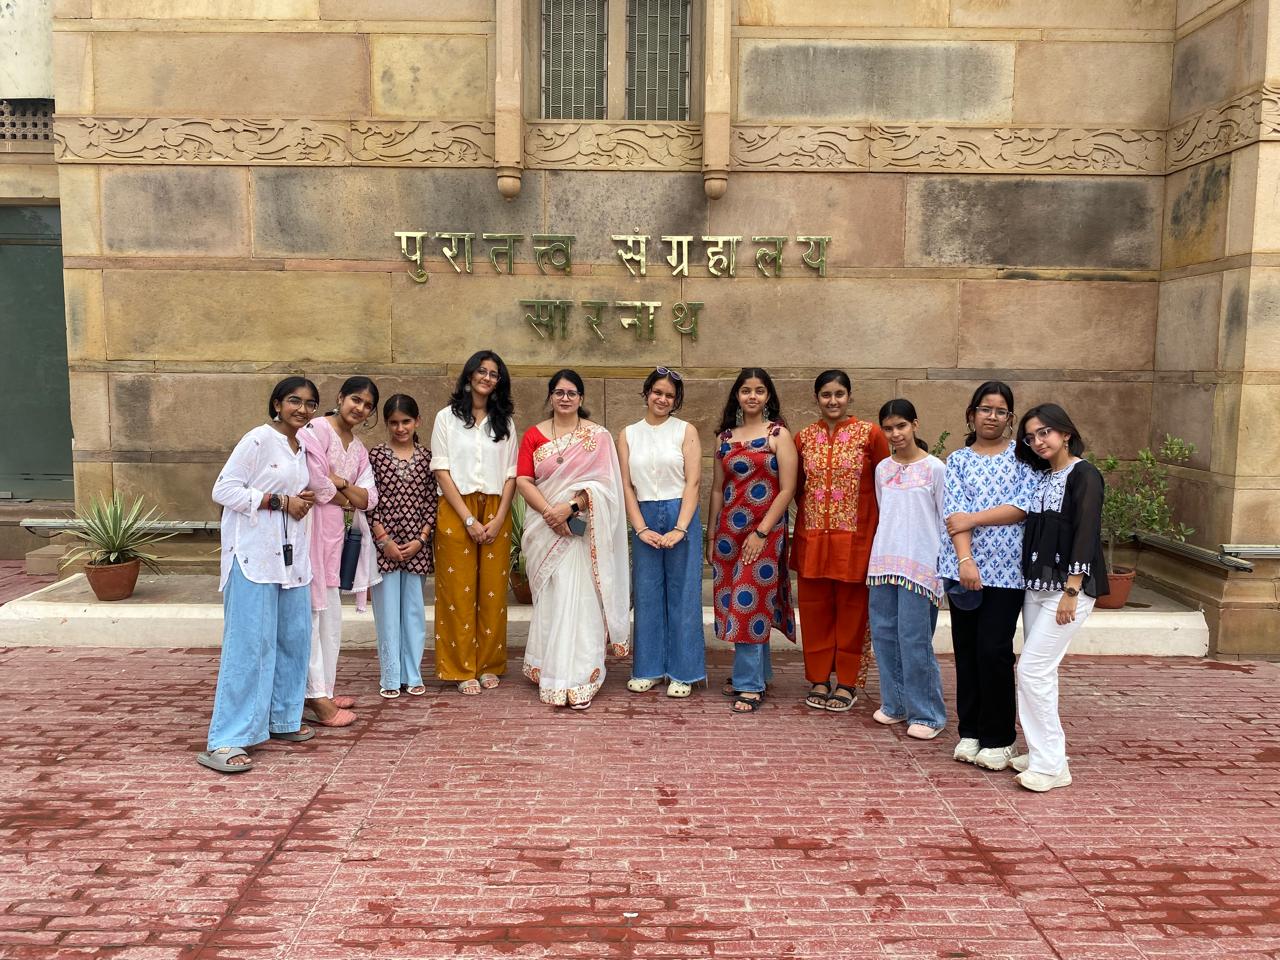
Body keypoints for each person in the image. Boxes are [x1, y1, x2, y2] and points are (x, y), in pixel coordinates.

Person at [198, 376, 320, 774]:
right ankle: (226, 738)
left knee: (293, 640)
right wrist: (279, 501)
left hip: (291, 561)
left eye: (310, 403)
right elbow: (224, 490)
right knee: (249, 646)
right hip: (253, 558)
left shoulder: (302, 446)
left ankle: (282, 719)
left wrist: (299, 500)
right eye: (294, 401)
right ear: (277, 404)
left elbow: (295, 493)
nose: (302, 409)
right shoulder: (257, 439)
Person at [515, 370, 630, 709]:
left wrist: (571, 507)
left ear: (581, 398)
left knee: (580, 599)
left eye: (571, 393)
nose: (565, 398)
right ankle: (549, 669)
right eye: (559, 392)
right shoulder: (534, 435)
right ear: (550, 396)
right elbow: (523, 480)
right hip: (544, 528)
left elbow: (607, 487)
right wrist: (550, 513)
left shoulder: (598, 437)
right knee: (553, 598)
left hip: (581, 530)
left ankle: (580, 676)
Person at [937, 381, 1036, 771]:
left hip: (1008, 572)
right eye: (985, 409)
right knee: (966, 651)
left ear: (1009, 418)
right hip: (965, 570)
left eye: (1000, 411)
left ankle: (1000, 738)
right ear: (971, 414)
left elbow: (1022, 506)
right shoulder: (958, 460)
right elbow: (954, 513)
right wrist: (965, 560)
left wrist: (974, 519)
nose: (992, 417)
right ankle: (971, 732)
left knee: (993, 651)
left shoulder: (1023, 456)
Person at [1011, 403, 1108, 792]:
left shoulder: (1084, 474)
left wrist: (1072, 588)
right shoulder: (1043, 476)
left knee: (1031, 671)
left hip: (1068, 590)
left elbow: (1086, 532)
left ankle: (1052, 767)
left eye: (1044, 432)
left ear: (1065, 433)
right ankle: (1043, 754)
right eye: (1030, 437)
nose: (1038, 441)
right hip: (1037, 587)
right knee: (1041, 672)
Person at [791, 370, 889, 712]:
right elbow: (796, 487)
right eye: (826, 395)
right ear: (816, 398)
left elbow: (885, 484)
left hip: (857, 540)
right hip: (813, 539)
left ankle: (847, 683)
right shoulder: (803, 438)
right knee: (815, 610)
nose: (833, 401)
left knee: (852, 613)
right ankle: (819, 678)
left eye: (839, 394)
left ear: (849, 396)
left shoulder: (870, 435)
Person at [708, 367, 797, 715]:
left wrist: (762, 532)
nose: (752, 396)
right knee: (739, 601)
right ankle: (759, 673)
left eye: (759, 390)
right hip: (729, 534)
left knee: (749, 601)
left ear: (768, 396)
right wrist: (712, 534)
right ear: (737, 395)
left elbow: (787, 489)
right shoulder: (725, 438)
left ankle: (749, 684)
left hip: (764, 534)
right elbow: (717, 489)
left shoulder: (778, 435)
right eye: (746, 390)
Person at [430, 351, 518, 695]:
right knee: (457, 591)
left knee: (493, 592)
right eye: (481, 371)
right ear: (469, 375)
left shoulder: (505, 422)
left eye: (494, 374)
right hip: (457, 506)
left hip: (496, 507)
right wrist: (467, 518)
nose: (487, 377)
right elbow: (441, 470)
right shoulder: (446, 418)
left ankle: (489, 664)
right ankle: (460, 667)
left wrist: (499, 518)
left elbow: (511, 474)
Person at [618, 367, 705, 698]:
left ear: (676, 400)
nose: (662, 399)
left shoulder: (685, 430)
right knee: (647, 592)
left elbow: (693, 482)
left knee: (684, 593)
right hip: (645, 516)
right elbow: (626, 485)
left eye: (670, 395)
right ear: (646, 393)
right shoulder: (628, 434)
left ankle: (684, 672)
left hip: (680, 512)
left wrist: (681, 527)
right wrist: (639, 527)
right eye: (657, 392)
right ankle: (649, 669)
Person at [300, 375, 381, 727]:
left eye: (367, 405)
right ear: (340, 397)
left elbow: (369, 498)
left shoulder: (359, 449)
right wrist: (348, 496)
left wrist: (342, 483)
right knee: (311, 614)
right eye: (356, 400)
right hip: (308, 532)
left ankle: (325, 689)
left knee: (330, 617)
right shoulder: (315, 430)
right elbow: (316, 484)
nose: (360, 409)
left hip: (334, 537)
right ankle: (313, 697)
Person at [866, 399, 948, 740]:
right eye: (888, 428)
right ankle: (895, 704)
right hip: (884, 562)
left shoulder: (935, 468)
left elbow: (944, 518)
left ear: (915, 424)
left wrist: (944, 565)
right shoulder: (882, 469)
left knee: (914, 640)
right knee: (884, 636)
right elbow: (885, 512)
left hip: (921, 566)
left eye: (901, 425)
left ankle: (928, 713)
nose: (895, 433)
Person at [369, 394, 438, 700]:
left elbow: (433, 503)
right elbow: (370, 501)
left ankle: (413, 673)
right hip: (384, 546)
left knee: (413, 612)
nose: (400, 428)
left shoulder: (427, 458)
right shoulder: (376, 456)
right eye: (394, 422)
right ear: (387, 424)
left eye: (406, 421)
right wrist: (384, 540)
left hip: (417, 547)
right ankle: (390, 675)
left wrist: (421, 539)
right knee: (387, 612)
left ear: (417, 421)